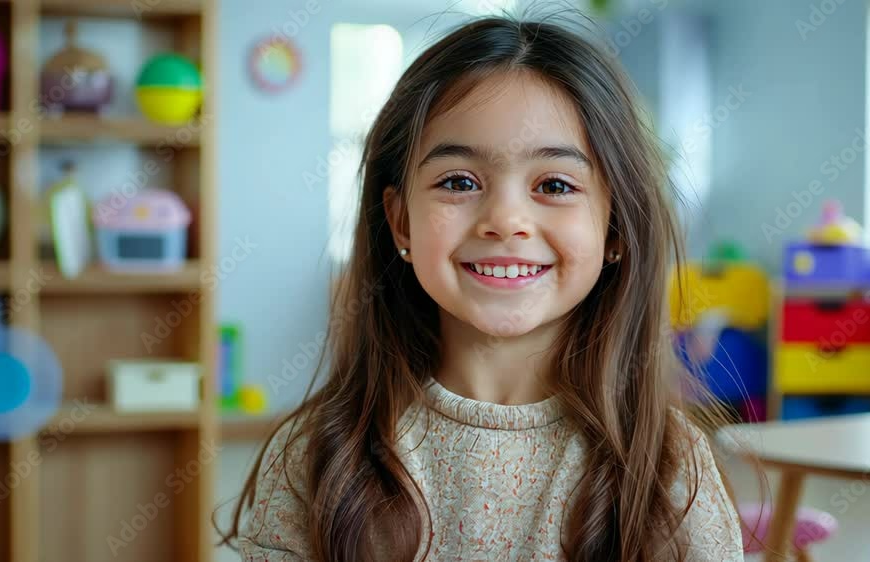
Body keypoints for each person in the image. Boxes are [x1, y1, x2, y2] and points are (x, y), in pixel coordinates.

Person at [220, 14, 744, 562]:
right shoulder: (318, 456)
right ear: (401, 222)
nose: (505, 219)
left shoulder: (670, 470)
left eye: (556, 185)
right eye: (459, 182)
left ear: (615, 227)